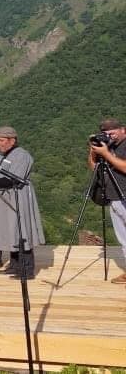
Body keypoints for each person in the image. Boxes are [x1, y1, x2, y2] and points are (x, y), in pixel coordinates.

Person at [0, 126, 44, 279]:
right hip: (6, 197)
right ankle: (14, 265)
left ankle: (26, 270)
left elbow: (15, 177)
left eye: (1, 140)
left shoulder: (22, 155)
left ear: (12, 140)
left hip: (19, 195)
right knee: (12, 231)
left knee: (21, 230)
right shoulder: (4, 156)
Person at [88, 118, 126, 284]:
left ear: (123, 129)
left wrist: (106, 154)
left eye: (112, 132)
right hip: (114, 197)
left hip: (124, 196)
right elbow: (93, 167)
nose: (110, 136)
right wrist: (93, 152)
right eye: (106, 134)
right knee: (123, 238)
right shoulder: (109, 146)